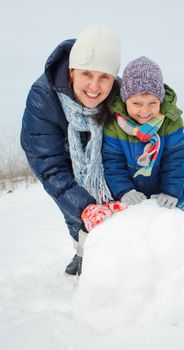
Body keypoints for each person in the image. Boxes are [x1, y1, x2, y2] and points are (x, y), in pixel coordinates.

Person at [20, 24, 124, 276]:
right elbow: (49, 165)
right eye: (87, 74)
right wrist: (85, 208)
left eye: (104, 77)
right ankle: (82, 253)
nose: (95, 86)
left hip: (104, 161)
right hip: (65, 159)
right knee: (76, 210)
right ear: (71, 72)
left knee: (114, 212)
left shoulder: (118, 95)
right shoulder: (42, 98)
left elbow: (148, 110)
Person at [102, 56, 184, 210]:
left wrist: (171, 192)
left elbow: (175, 160)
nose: (144, 111)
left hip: (171, 197)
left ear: (161, 101)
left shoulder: (171, 121)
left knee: (173, 232)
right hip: (133, 199)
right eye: (136, 103)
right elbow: (113, 164)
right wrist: (124, 190)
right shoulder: (113, 126)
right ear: (125, 101)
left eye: (152, 103)